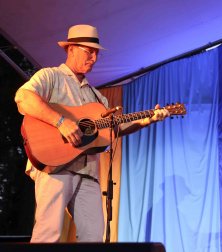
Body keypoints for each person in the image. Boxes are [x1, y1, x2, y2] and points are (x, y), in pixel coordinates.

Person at [14, 24, 169, 242]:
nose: (94, 58)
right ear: (70, 49)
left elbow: (112, 130)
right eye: (89, 51)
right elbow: (23, 97)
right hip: (55, 167)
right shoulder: (51, 77)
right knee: (48, 235)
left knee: (94, 238)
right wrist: (60, 121)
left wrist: (147, 120)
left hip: (87, 173)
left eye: (96, 53)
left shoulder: (98, 99)